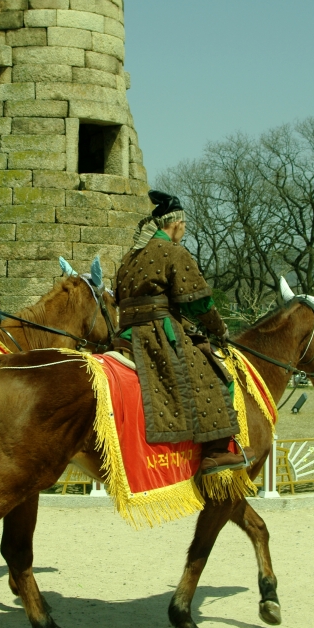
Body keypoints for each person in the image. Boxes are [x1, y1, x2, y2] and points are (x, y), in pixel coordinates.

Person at [115, 189, 243, 474]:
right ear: (175, 224)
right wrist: (219, 329)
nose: (184, 232)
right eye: (184, 227)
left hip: (125, 334)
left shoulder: (129, 257)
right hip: (159, 334)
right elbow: (199, 302)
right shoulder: (173, 252)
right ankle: (216, 452)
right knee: (215, 375)